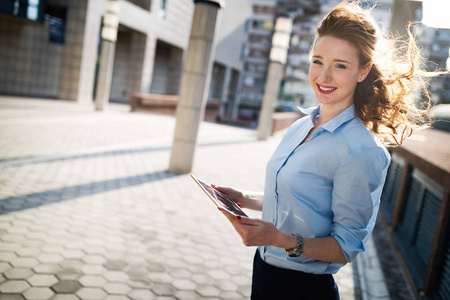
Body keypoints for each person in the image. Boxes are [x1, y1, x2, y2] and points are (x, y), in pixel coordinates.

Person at [213, 1, 440, 299]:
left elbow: (346, 246)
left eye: (340, 66)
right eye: (317, 61)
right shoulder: (301, 124)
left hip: (304, 289)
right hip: (265, 270)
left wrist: (282, 239)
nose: (323, 76)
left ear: (363, 71)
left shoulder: (361, 151)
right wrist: (242, 198)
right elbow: (298, 199)